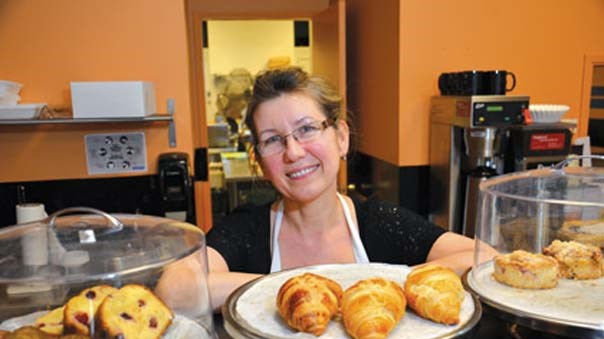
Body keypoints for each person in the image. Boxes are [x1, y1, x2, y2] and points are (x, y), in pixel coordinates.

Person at [204, 67, 477, 311]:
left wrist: (389, 282)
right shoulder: (245, 230)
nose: (294, 152)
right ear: (261, 162)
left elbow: (483, 259)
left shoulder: (380, 222)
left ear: (342, 138)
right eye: (273, 139)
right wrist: (299, 291)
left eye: (307, 129)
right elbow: (178, 289)